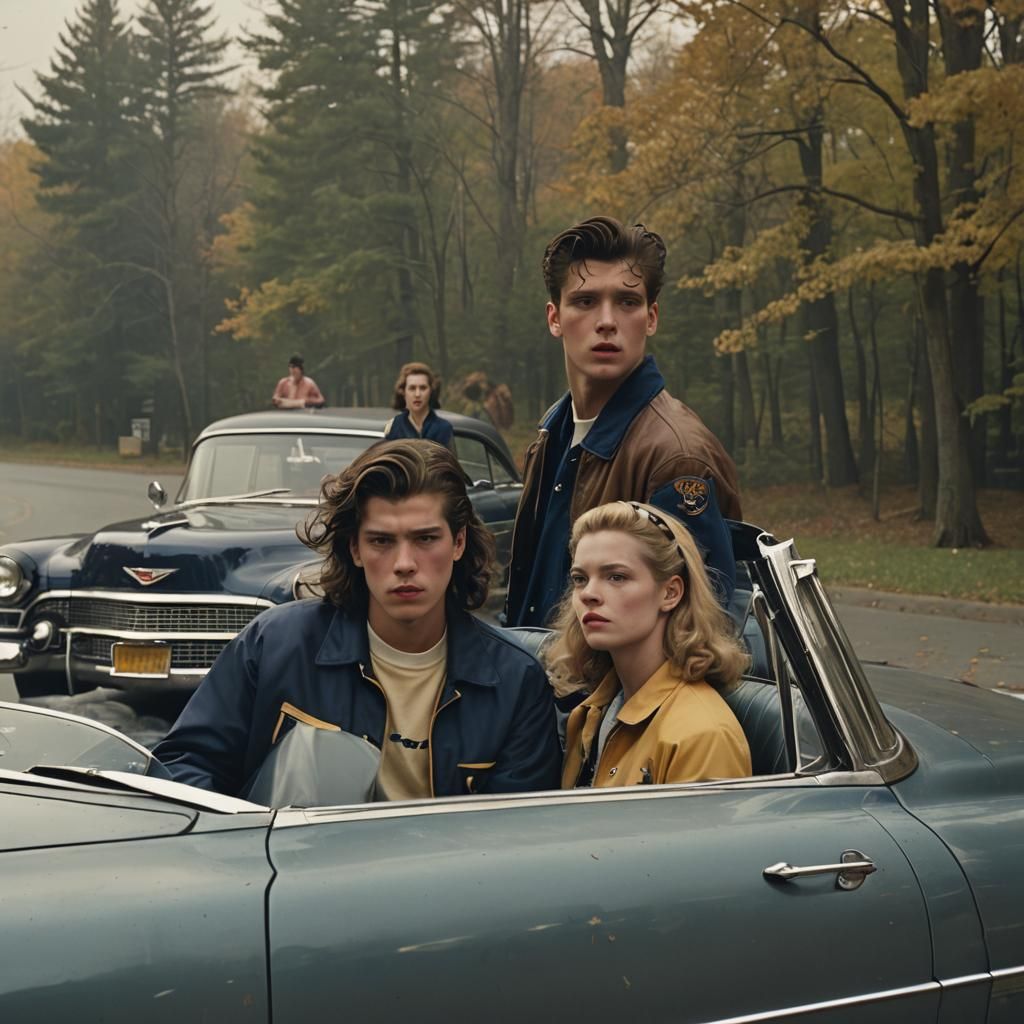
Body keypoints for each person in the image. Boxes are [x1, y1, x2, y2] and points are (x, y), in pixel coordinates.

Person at [154, 439, 561, 800]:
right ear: (354, 548)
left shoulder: (515, 682)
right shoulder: (275, 644)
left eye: (425, 539)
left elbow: (518, 840)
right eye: (381, 541)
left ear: (458, 543)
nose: (404, 564)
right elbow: (182, 768)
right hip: (290, 874)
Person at [504, 216, 742, 629]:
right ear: (554, 318)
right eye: (585, 301)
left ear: (651, 317)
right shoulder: (552, 434)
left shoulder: (676, 457)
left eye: (627, 302)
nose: (607, 320)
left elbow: (700, 635)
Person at [546, 501, 751, 789]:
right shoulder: (591, 712)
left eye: (616, 577)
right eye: (580, 579)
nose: (588, 594)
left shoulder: (702, 735)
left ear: (670, 592)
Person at [384, 362, 454, 448]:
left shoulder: (443, 428)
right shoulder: (395, 426)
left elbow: (450, 461)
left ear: (431, 391)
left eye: (423, 388)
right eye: (412, 388)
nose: (417, 394)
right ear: (403, 391)